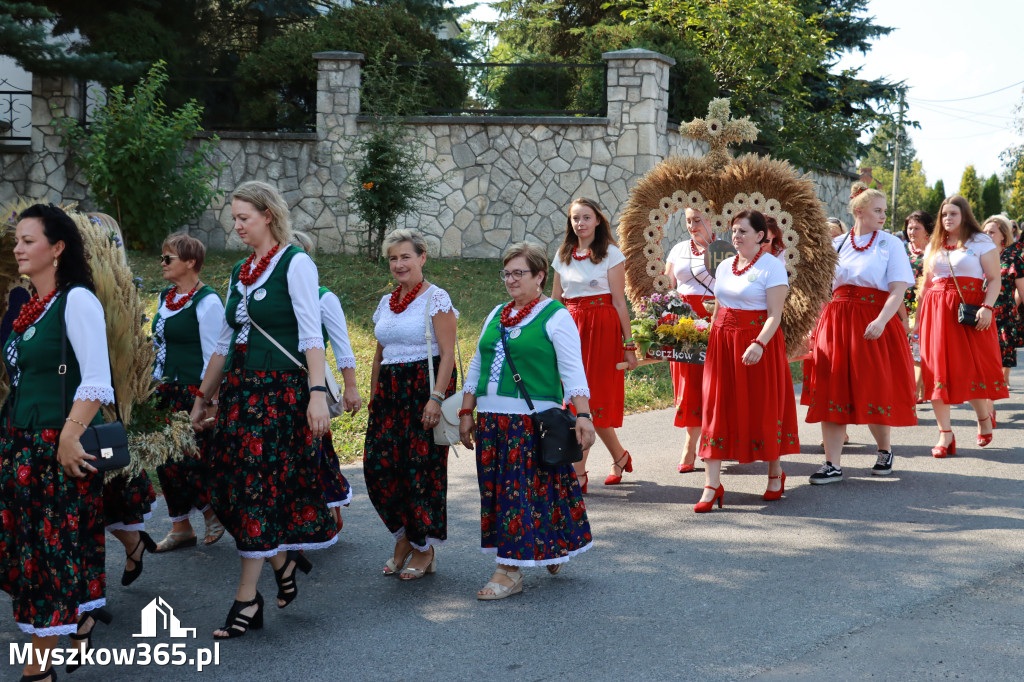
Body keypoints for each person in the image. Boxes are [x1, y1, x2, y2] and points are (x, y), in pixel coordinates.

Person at [189, 180, 337, 639]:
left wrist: (317, 392)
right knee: (225, 487)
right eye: (233, 219)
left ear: (267, 216)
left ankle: (246, 599)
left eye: (243, 218)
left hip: (279, 395)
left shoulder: (296, 263)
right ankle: (281, 558)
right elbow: (224, 341)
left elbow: (312, 335)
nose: (236, 227)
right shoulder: (240, 272)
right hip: (238, 394)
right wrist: (202, 397)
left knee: (255, 491)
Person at [1, 204, 113, 681]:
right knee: (29, 554)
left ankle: (37, 669)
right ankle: (77, 617)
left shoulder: (77, 300)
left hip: (55, 445)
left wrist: (69, 434)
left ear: (58, 248)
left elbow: (98, 378)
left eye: (29, 240)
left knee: (46, 555)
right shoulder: (32, 305)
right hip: (21, 444)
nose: (18, 247)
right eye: (17, 240)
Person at [459, 242, 595, 598]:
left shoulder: (555, 315)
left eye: (520, 272)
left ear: (539, 276)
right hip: (491, 422)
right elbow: (477, 364)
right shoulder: (496, 314)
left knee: (518, 496)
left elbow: (573, 371)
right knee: (505, 494)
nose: (511, 279)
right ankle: (548, 546)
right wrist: (465, 410)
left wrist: (583, 415)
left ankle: (509, 571)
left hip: (529, 423)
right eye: (507, 273)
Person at [803, 184, 916, 484]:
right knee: (832, 387)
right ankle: (832, 463)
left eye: (884, 211)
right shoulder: (837, 244)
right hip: (836, 321)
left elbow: (898, 288)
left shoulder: (891, 244)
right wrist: (813, 327)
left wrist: (881, 320)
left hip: (873, 322)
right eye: (877, 210)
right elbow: (821, 290)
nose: (883, 216)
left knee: (873, 386)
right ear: (858, 212)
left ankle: (884, 450)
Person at [363, 229, 458, 581]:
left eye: (406, 256)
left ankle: (423, 547)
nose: (399, 264)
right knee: (378, 468)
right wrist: (374, 396)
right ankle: (404, 535)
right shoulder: (387, 302)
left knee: (420, 473)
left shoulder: (436, 298)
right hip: (389, 394)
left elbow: (448, 354)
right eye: (393, 258)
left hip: (423, 390)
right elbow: (378, 355)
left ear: (422, 257)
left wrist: (436, 398)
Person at [695, 210, 797, 512]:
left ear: (760, 236)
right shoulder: (725, 265)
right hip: (722, 343)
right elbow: (719, 306)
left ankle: (775, 472)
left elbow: (774, 316)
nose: (736, 237)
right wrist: (709, 335)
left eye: (742, 231)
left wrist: (759, 343)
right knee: (716, 407)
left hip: (757, 343)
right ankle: (711, 485)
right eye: (734, 231)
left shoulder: (772, 267)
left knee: (762, 406)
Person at [551, 198, 637, 491]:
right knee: (576, 400)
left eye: (586, 217)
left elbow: (619, 301)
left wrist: (629, 343)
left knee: (592, 401)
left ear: (598, 220)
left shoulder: (611, 253)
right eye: (575, 218)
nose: (580, 223)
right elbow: (555, 301)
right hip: (570, 327)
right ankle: (620, 456)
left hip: (602, 328)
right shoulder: (563, 254)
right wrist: (547, 336)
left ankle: (578, 472)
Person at [915, 196, 1008, 457]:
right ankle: (945, 435)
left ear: (964, 215)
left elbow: (994, 280)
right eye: (944, 214)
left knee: (970, 368)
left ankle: (982, 418)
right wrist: (917, 319)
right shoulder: (934, 244)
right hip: (936, 311)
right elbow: (927, 282)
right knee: (935, 372)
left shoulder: (980, 242)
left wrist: (987, 308)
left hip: (967, 311)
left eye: (953, 214)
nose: (947, 219)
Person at [151, 233, 226, 552]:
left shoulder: (207, 301)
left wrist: (209, 401)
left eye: (168, 258)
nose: (163, 264)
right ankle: (181, 526)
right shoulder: (164, 298)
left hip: (193, 392)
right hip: (164, 390)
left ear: (190, 262)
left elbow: (216, 354)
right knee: (164, 461)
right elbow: (158, 344)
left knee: (190, 459)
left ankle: (211, 512)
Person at [292, 232, 362, 531]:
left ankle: (324, 510)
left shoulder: (323, 297)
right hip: (273, 384)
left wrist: (351, 388)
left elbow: (342, 346)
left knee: (312, 450)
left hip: (310, 383)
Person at [663, 206, 716, 473]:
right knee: (687, 385)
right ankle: (694, 441)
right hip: (681, 323)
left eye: (697, 220)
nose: (692, 225)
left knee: (710, 384)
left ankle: (699, 443)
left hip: (713, 318)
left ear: (712, 219)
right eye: (688, 221)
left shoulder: (724, 249)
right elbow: (666, 285)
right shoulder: (678, 249)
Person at [980, 215, 1024, 390]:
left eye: (992, 232)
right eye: (985, 232)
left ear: (1003, 236)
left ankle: (997, 387)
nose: (987, 235)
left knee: (1000, 355)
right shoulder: (977, 256)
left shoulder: (1013, 258)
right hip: (980, 313)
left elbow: (1022, 290)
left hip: (1004, 313)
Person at [903, 210, 935, 403]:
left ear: (927, 231)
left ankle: (912, 394)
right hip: (902, 305)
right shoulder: (902, 249)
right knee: (907, 350)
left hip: (926, 304)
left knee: (918, 348)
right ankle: (919, 389)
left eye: (917, 228)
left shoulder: (935, 251)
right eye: (909, 228)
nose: (912, 232)